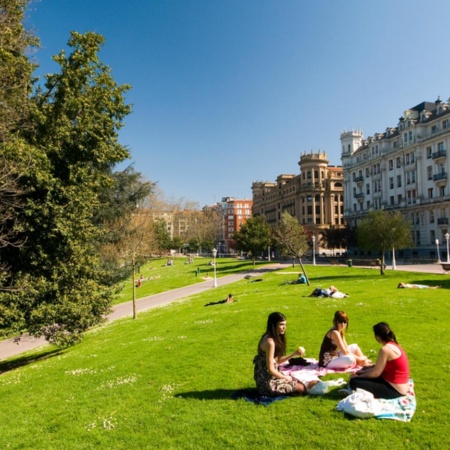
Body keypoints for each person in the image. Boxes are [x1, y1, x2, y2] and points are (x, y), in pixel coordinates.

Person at [348, 322, 410, 399]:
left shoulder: (385, 350)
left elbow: (376, 373)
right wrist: (361, 372)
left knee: (354, 382)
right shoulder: (394, 345)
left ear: (377, 337)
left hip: (395, 389)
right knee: (364, 369)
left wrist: (359, 376)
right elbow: (377, 367)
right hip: (397, 383)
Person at [253, 312, 308, 396]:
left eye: (285, 325)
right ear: (273, 325)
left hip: (265, 379)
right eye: (281, 325)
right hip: (267, 384)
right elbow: (271, 370)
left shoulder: (269, 336)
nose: (284, 328)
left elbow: (277, 361)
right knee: (302, 389)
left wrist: (294, 354)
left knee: (298, 381)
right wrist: (285, 378)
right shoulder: (269, 342)